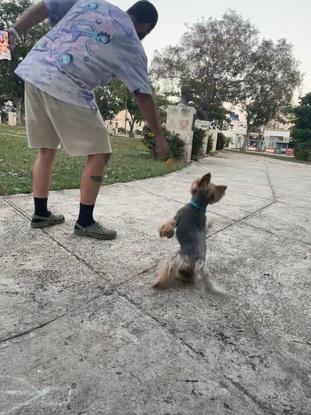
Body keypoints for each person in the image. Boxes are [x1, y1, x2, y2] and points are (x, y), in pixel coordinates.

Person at [8, 0, 169, 240]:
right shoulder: (132, 41)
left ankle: (41, 214)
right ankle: (85, 221)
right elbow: (143, 94)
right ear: (145, 27)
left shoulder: (91, 4)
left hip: (35, 70)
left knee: (47, 149)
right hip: (66, 82)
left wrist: (15, 31)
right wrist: (159, 137)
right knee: (100, 153)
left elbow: (48, 5)